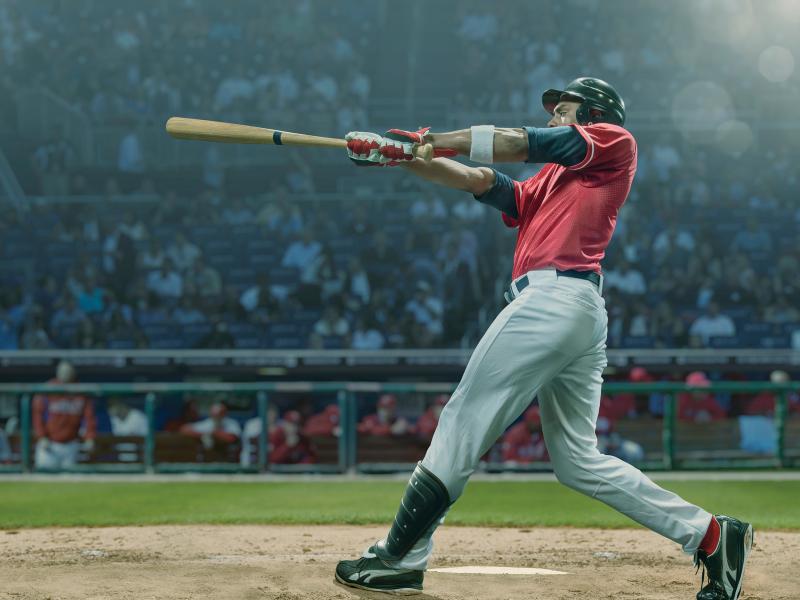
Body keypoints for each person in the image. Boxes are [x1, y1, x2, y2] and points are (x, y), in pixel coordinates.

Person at [336, 77, 752, 599]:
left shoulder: (613, 142)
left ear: (593, 113)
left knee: (463, 419)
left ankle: (400, 557)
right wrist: (400, 157)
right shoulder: (554, 180)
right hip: (573, 311)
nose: (555, 115)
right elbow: (479, 180)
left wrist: (430, 139)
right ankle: (713, 535)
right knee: (578, 462)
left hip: (553, 301)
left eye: (564, 109)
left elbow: (520, 141)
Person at [32, 360, 96, 471]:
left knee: (70, 481)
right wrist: (42, 436)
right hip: (49, 444)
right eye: (62, 371)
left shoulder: (81, 391)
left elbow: (89, 417)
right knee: (44, 478)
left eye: (68, 371)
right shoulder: (48, 389)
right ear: (57, 372)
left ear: (74, 373)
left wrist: (89, 437)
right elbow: (38, 416)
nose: (65, 374)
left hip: (71, 444)